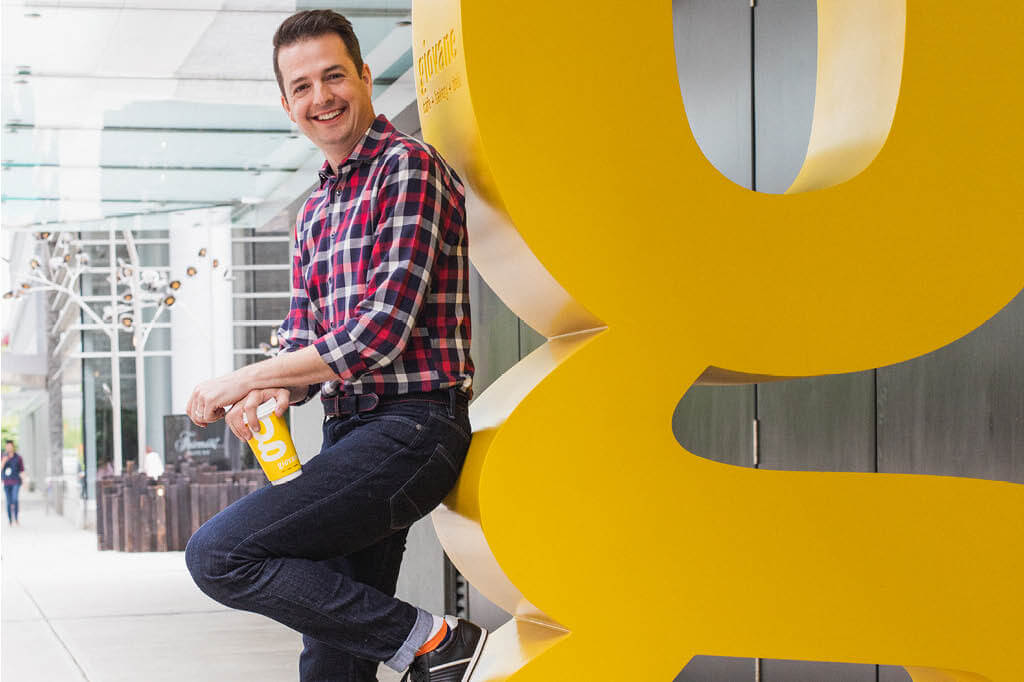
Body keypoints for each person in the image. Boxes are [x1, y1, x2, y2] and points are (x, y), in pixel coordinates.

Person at [184, 10, 484, 682]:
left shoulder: (408, 168)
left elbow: (380, 332)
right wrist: (271, 390)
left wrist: (242, 377)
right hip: (351, 437)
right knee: (331, 659)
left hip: (414, 430)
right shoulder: (314, 210)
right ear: (287, 105)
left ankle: (432, 641)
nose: (322, 97)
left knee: (220, 554)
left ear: (364, 77)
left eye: (334, 76)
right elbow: (307, 336)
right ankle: (425, 644)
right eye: (303, 87)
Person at [3, 440, 25, 526]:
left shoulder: (18, 457)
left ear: (13, 447)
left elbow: (22, 470)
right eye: (7, 446)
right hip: (6, 482)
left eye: (10, 446)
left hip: (16, 481)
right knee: (8, 502)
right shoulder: (3, 456)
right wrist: (4, 461)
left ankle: (16, 518)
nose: (8, 448)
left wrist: (25, 482)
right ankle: (10, 520)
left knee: (15, 499)